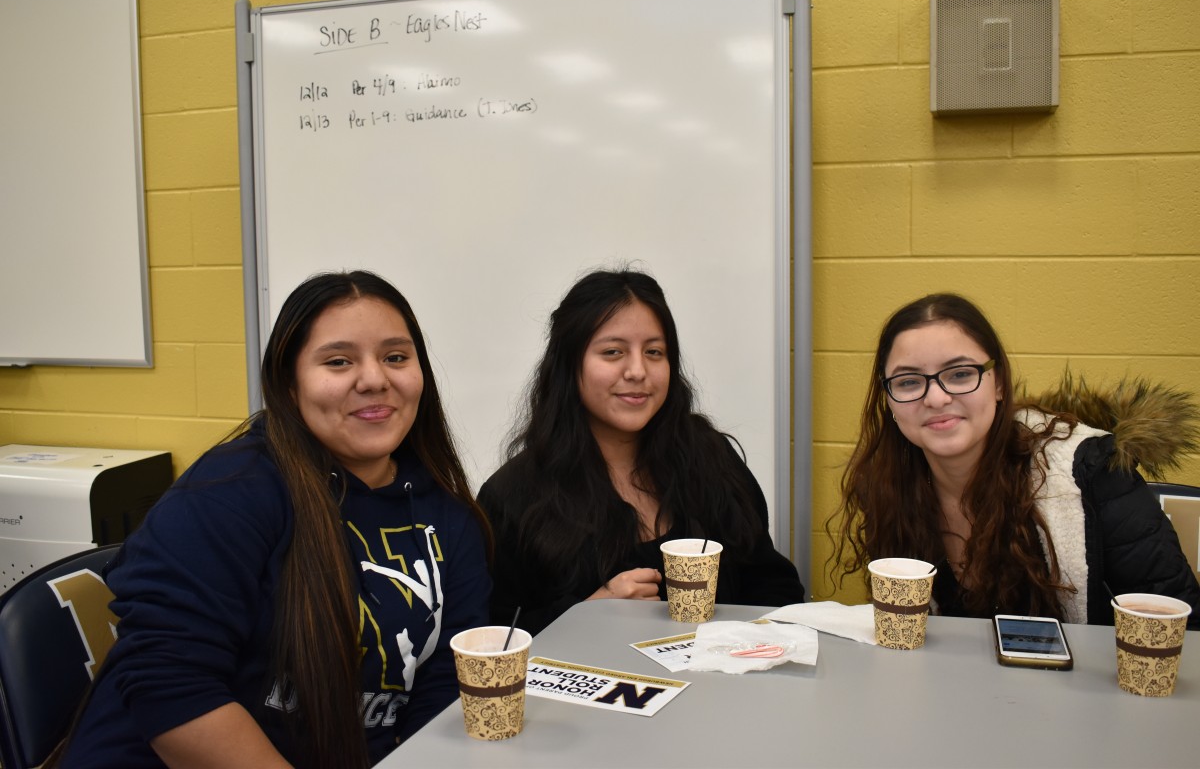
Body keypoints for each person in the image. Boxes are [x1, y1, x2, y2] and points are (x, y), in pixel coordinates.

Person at [55, 271, 491, 768]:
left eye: (396, 357)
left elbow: (443, 687)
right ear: (289, 382)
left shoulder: (448, 517)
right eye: (338, 361)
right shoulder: (230, 492)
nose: (375, 379)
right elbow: (170, 682)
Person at [831, 292, 1200, 629]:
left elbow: (1182, 633)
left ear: (1000, 384)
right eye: (909, 381)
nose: (936, 398)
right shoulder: (890, 486)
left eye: (960, 374)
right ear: (890, 400)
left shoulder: (1095, 477)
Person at [478, 268, 805, 636]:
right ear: (569, 365)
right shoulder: (514, 496)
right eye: (613, 352)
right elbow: (495, 636)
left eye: (654, 352)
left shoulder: (710, 459)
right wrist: (587, 613)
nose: (637, 370)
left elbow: (774, 587)